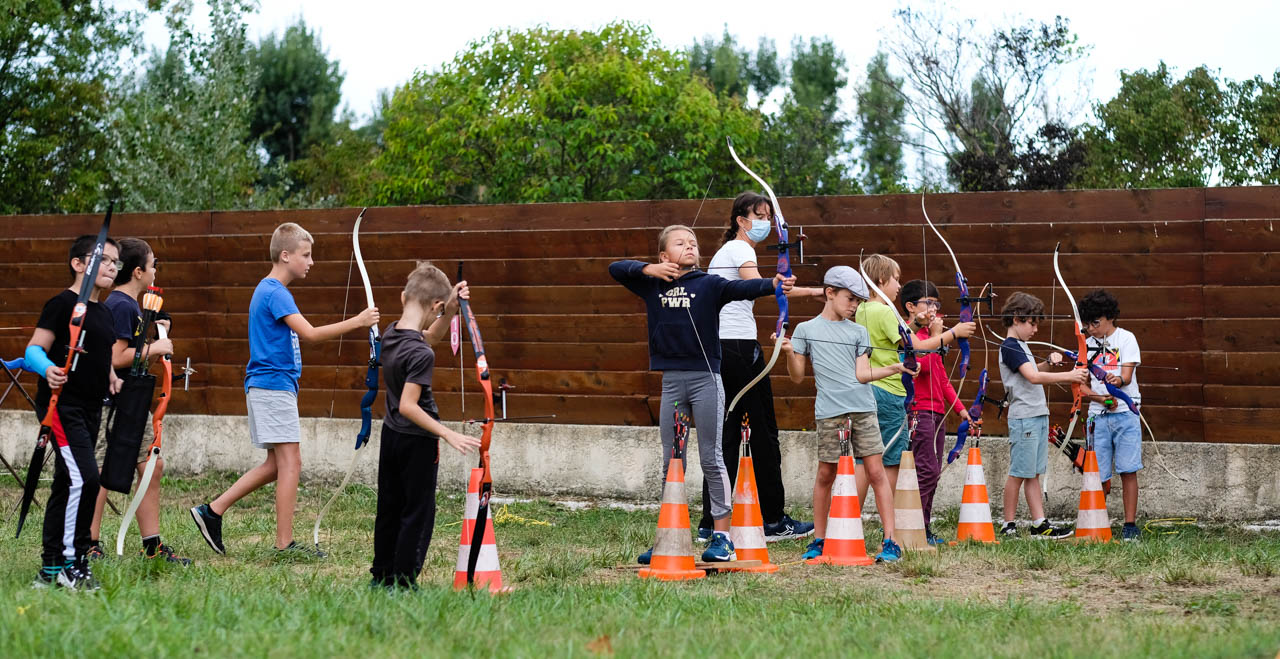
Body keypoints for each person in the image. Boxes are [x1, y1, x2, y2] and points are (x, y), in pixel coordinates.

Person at [190, 222, 379, 556]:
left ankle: (212, 511)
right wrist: (359, 321)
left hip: (274, 387)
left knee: (278, 464)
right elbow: (311, 334)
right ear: (285, 254)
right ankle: (284, 544)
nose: (311, 262)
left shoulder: (273, 291)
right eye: (305, 255)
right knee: (292, 462)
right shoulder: (275, 292)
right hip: (272, 386)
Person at [609, 225, 792, 563]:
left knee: (711, 456)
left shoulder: (710, 284)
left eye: (693, 242)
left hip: (707, 379)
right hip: (672, 382)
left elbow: (742, 287)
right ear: (664, 255)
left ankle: (722, 537)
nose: (690, 246)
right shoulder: (653, 284)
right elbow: (616, 268)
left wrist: (773, 284)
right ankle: (669, 535)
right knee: (671, 460)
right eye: (680, 243)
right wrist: (650, 269)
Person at [700, 191, 820, 542]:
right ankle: (772, 520)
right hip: (738, 349)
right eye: (760, 215)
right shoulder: (740, 249)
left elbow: (768, 287)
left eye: (769, 215)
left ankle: (711, 522)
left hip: (721, 349)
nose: (766, 222)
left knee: (727, 435)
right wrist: (814, 292)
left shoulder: (727, 252)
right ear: (741, 220)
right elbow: (761, 286)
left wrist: (812, 293)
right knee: (763, 433)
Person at [781, 266, 915, 562]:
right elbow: (798, 377)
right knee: (826, 474)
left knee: (877, 471)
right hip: (829, 412)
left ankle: (890, 540)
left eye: (858, 300)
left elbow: (862, 374)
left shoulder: (859, 332)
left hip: (864, 410)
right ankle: (820, 538)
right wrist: (790, 352)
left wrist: (893, 368)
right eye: (850, 298)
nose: (854, 306)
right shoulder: (806, 330)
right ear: (830, 293)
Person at [371, 262, 481, 589]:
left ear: (404, 295)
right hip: (418, 440)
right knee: (417, 513)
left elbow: (431, 334)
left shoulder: (391, 333)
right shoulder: (421, 354)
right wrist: (447, 433)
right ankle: (403, 582)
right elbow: (408, 405)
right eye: (439, 309)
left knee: (389, 507)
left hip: (391, 437)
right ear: (434, 305)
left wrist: (449, 309)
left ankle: (382, 576)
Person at [28, 235, 123, 590]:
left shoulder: (104, 312)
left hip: (90, 407)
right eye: (105, 259)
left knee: (66, 483)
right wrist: (46, 369)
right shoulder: (62, 304)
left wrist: (112, 377)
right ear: (79, 264)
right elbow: (36, 349)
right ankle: (73, 562)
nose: (112, 267)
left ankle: (50, 569)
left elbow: (100, 355)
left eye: (116, 262)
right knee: (86, 479)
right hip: (61, 406)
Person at [87, 238, 188, 564]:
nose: (156, 270)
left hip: (129, 401)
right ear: (138, 271)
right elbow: (115, 357)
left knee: (151, 467)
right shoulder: (120, 305)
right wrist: (155, 349)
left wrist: (155, 336)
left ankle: (152, 546)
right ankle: (87, 541)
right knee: (102, 473)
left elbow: (132, 358)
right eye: (153, 264)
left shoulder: (131, 306)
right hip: (110, 403)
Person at [854, 254, 973, 506]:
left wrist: (913, 323)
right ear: (881, 280)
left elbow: (894, 341)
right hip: (889, 392)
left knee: (866, 458)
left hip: (868, 391)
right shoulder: (886, 312)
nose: (899, 286)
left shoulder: (863, 309)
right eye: (896, 280)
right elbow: (917, 348)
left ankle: (851, 518)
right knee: (891, 462)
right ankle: (893, 524)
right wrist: (953, 333)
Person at [996, 292, 1087, 538]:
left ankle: (1039, 523)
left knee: (1034, 473)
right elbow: (1034, 377)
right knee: (1018, 472)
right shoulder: (1010, 346)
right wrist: (1070, 376)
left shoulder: (1021, 346)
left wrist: (1048, 362)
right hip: (1024, 417)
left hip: (1036, 415)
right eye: (1031, 323)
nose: (1035, 329)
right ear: (1016, 318)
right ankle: (1008, 524)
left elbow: (1035, 371)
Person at [899, 279, 970, 545]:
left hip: (937, 413)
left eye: (937, 305)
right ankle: (912, 526)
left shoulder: (931, 340)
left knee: (933, 471)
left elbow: (941, 379)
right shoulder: (914, 337)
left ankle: (923, 527)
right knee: (926, 470)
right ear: (910, 307)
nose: (935, 310)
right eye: (929, 303)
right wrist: (940, 337)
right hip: (920, 411)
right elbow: (922, 367)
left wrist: (962, 410)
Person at [1078, 289, 1144, 541]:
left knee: (1128, 469)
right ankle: (1097, 521)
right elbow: (1081, 386)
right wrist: (1101, 398)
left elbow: (1126, 377)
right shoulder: (1085, 344)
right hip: (1098, 416)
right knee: (1097, 473)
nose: (1091, 329)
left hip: (1126, 413)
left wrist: (1117, 381)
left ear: (1110, 318)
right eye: (1087, 324)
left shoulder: (1126, 339)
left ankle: (1129, 525)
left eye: (1096, 323)